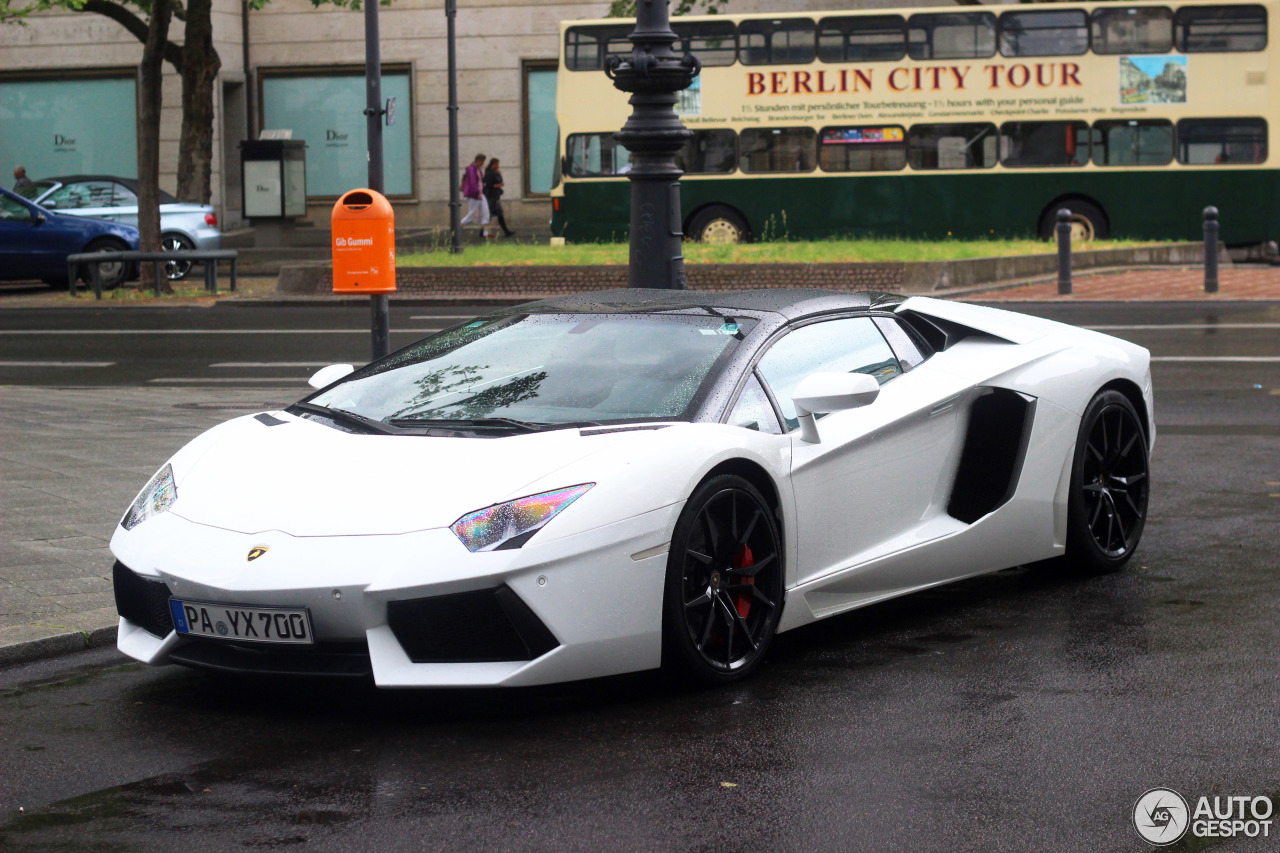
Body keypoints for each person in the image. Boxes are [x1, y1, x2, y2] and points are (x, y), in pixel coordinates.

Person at [458, 153, 491, 238]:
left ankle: (485, 233)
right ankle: (458, 227)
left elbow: (479, 181)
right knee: (472, 213)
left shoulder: (478, 169)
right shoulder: (471, 169)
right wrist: (477, 193)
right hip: (474, 194)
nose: (482, 164)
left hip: (480, 193)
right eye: (482, 162)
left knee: (485, 211)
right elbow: (473, 183)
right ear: (479, 161)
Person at [483, 158, 515, 238]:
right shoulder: (489, 174)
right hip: (491, 197)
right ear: (492, 164)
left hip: (495, 196)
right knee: (494, 215)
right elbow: (489, 185)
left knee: (494, 215)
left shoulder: (495, 173)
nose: (497, 166)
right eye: (496, 164)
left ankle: (484, 232)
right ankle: (505, 231)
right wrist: (499, 185)